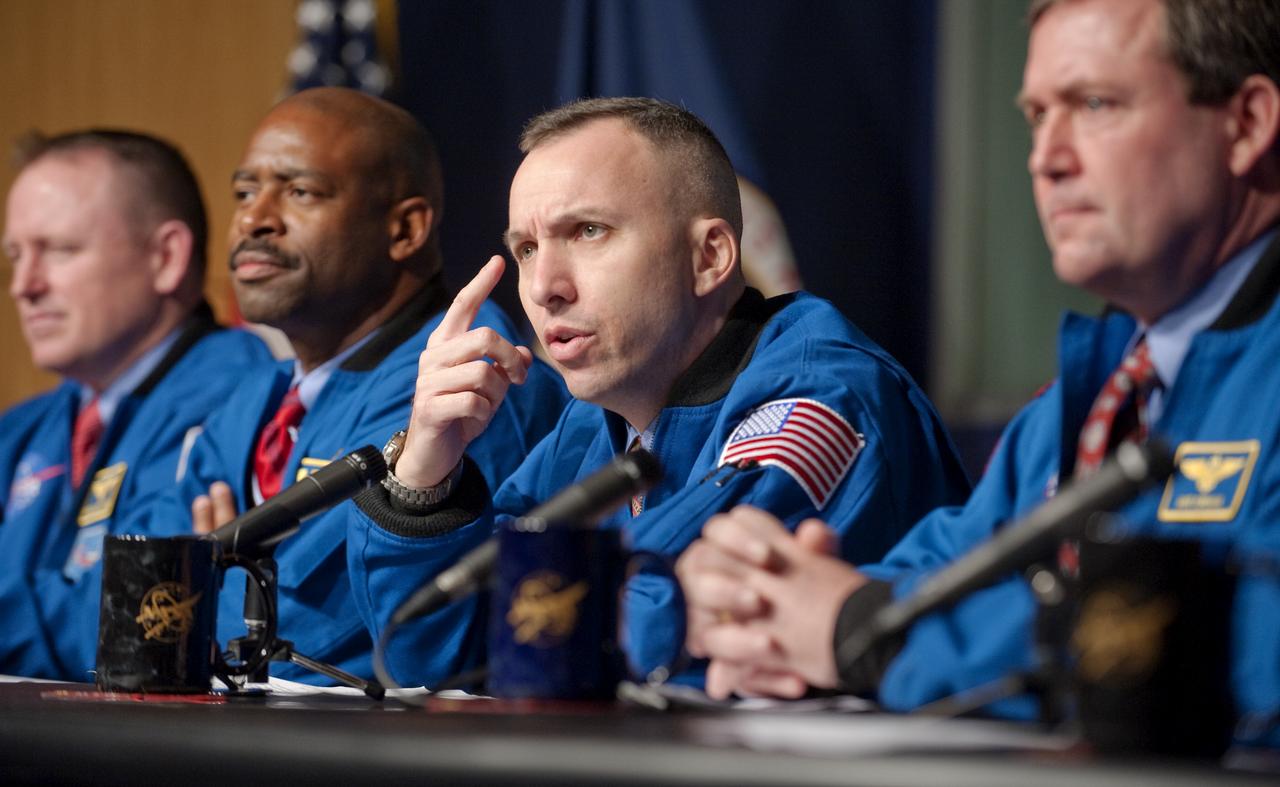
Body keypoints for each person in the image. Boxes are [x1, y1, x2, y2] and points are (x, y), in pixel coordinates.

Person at [676, 0, 1280, 745]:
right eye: (1035, 115)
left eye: (1095, 104)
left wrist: (874, 635)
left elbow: (1251, 645)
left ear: (1247, 123)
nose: (1046, 157)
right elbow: (930, 573)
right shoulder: (1094, 392)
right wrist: (764, 609)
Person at [348, 96, 970, 685]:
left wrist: (522, 617)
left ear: (710, 256)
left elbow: (688, 613)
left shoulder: (825, 397)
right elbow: (431, 657)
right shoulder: (592, 425)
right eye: (528, 249)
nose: (543, 288)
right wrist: (423, 475)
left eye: (588, 231)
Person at [129, 87, 567, 685]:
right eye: (244, 192)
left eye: (301, 191)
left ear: (405, 229)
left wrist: (202, 589)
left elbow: (326, 629)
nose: (255, 219)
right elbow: (132, 600)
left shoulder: (468, 378)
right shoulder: (254, 398)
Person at [0, 130, 273, 679]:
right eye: (14, 256)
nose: (23, 286)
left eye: (59, 250)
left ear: (165, 257)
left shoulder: (237, 397)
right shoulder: (24, 428)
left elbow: (130, 615)